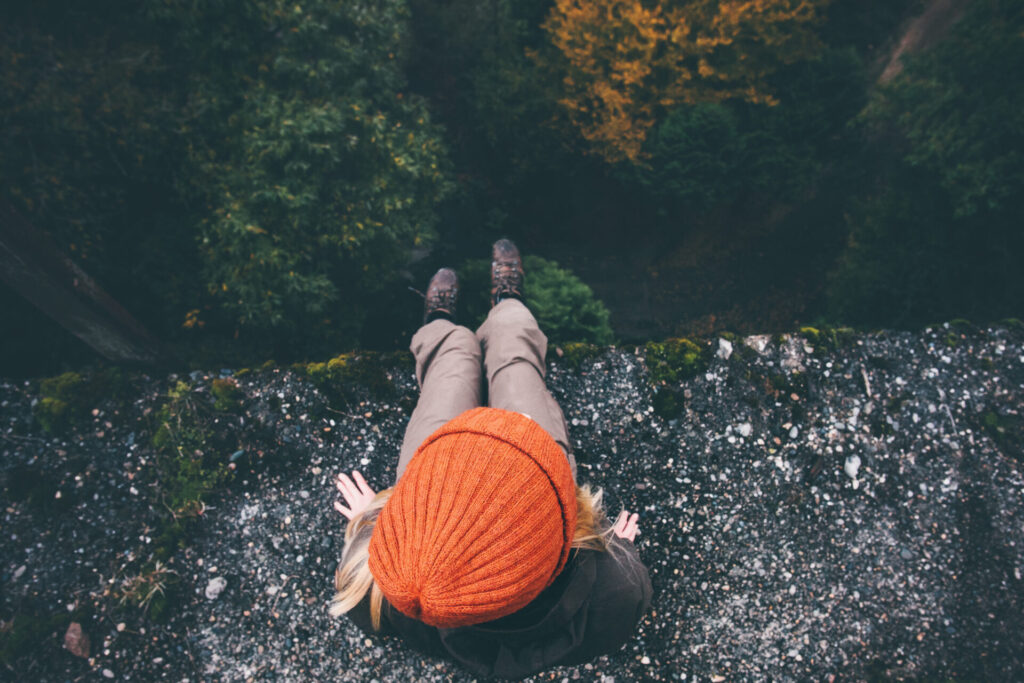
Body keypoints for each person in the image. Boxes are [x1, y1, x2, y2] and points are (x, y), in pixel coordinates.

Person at [329, 239, 653, 679]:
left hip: (433, 484)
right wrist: (618, 553)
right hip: (491, 475)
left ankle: (441, 327)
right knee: (515, 359)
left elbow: (377, 585)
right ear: (565, 536)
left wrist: (377, 521)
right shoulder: (617, 591)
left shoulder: (383, 595)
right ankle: (507, 306)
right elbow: (623, 590)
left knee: (454, 359)